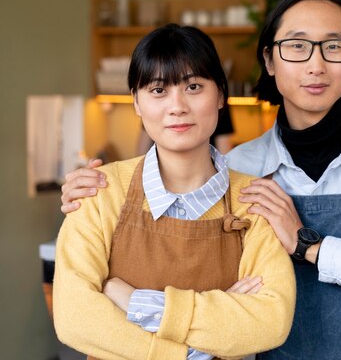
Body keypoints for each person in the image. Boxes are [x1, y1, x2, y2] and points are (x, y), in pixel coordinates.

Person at [61, 0, 341, 359]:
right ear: (268, 59)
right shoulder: (240, 172)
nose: (316, 65)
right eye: (297, 46)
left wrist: (310, 246)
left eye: (334, 46)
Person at [53, 23, 295, 360]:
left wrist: (135, 302)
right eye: (157, 91)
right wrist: (194, 350)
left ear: (221, 95)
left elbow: (269, 322)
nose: (177, 106)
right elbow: (74, 318)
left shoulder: (254, 203)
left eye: (194, 86)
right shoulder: (99, 193)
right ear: (136, 102)